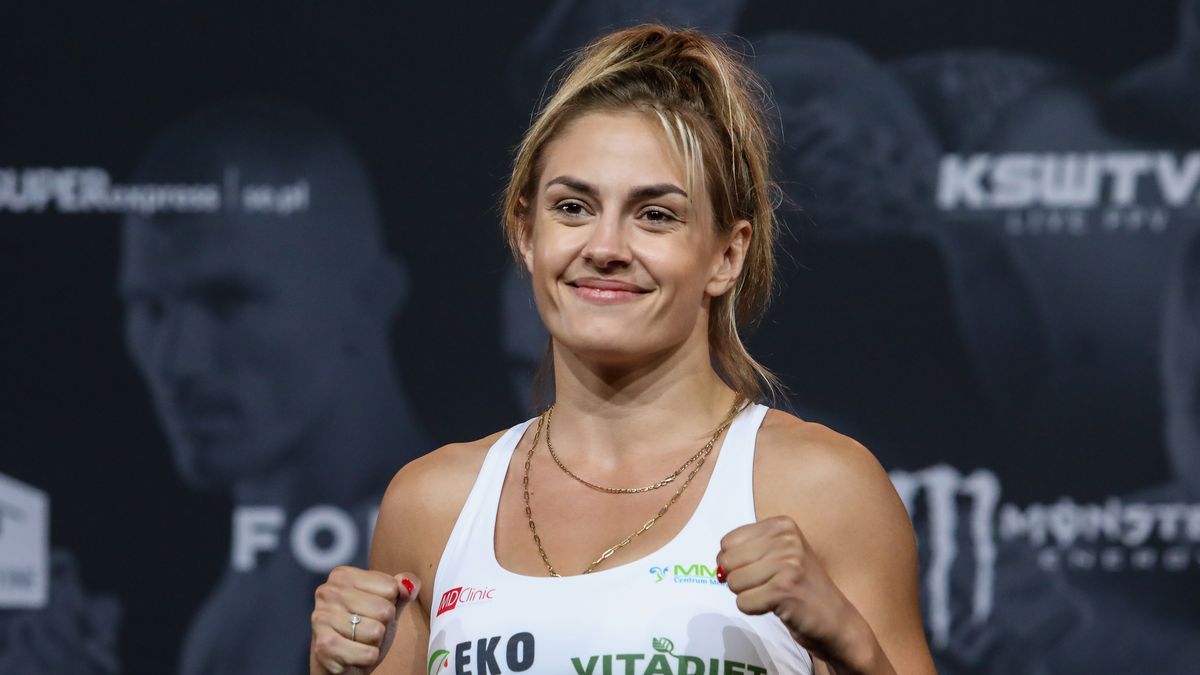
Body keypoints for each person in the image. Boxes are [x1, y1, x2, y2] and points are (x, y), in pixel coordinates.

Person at [310, 26, 935, 674]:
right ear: (527, 234)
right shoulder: (432, 503)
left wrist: (850, 642)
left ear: (727, 254)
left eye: (655, 214)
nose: (604, 246)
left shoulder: (821, 487)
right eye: (574, 207)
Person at [119, 101, 428, 674]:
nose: (178, 360)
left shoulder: (460, 544)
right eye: (150, 307)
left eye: (229, 299)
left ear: (366, 301)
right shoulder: (243, 599)